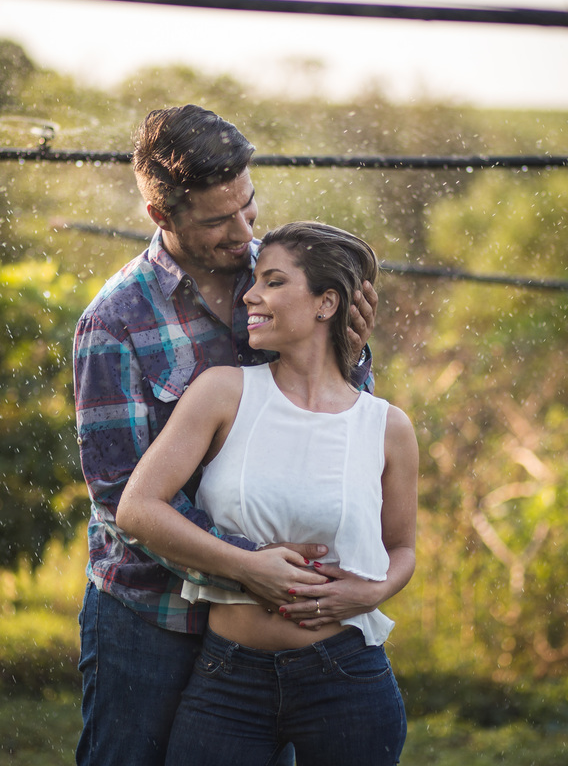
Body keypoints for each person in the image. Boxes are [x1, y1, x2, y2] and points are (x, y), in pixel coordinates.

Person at [72, 106, 390, 766]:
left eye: (248, 206)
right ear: (163, 216)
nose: (243, 232)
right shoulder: (116, 321)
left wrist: (350, 359)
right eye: (219, 219)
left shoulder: (278, 278)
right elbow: (121, 497)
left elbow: (327, 425)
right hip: (149, 613)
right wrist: (250, 566)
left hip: (258, 629)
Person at [116, 221, 419, 766]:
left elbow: (403, 549)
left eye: (274, 282)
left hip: (346, 677)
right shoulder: (223, 392)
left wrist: (373, 593)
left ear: (326, 303)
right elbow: (137, 509)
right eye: (256, 280)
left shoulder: (387, 426)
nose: (251, 295)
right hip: (228, 678)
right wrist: (245, 567)